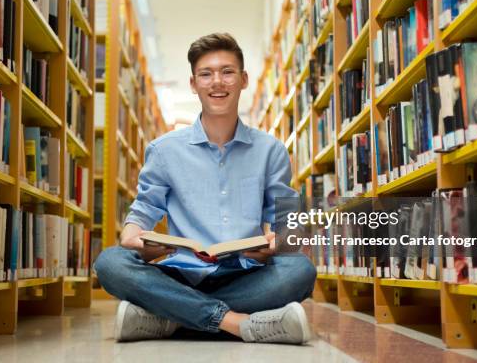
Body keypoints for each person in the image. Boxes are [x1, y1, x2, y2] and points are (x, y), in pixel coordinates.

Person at [94, 33, 317, 345]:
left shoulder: (271, 150)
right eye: (206, 74)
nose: (217, 82)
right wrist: (134, 237)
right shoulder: (163, 150)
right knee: (110, 263)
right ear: (193, 83)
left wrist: (274, 244)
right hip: (181, 273)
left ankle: (169, 316)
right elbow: (141, 214)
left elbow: (289, 230)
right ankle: (237, 323)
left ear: (243, 80)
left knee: (300, 270)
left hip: (245, 274)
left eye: (227, 72)